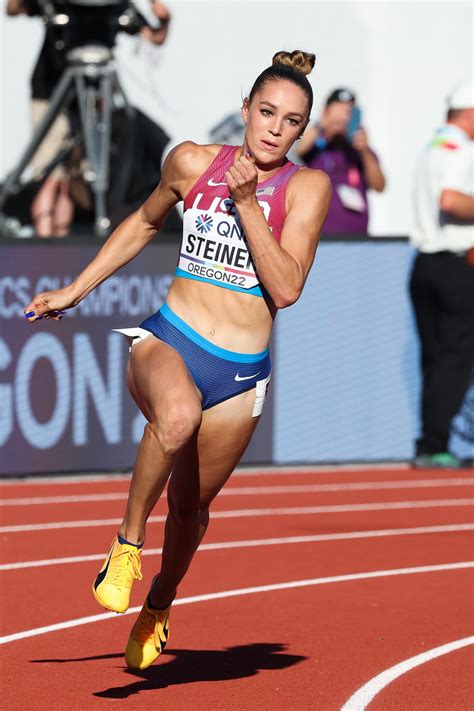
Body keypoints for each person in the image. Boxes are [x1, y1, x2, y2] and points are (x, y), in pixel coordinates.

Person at [24, 49, 331, 669]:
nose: (275, 128)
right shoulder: (192, 161)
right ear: (244, 111)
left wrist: (247, 203)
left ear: (302, 130)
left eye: (291, 121)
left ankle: (159, 604)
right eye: (266, 112)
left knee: (191, 513)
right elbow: (141, 222)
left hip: (240, 373)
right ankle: (126, 545)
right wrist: (74, 291)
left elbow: (288, 289)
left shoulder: (307, 188)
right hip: (172, 338)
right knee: (175, 416)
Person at [5, 0, 171, 237]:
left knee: (71, 185)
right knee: (50, 179)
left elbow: (154, 37)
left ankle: (60, 247)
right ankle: (43, 242)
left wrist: (164, 20)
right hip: (50, 95)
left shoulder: (116, 5)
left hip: (91, 103)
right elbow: (13, 10)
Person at [410, 80, 474, 469]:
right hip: (454, 266)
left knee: (434, 357)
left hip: (422, 264)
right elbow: (450, 200)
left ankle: (430, 441)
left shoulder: (429, 149)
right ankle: (435, 443)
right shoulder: (463, 150)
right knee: (455, 357)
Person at [295, 88, 385, 235]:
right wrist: (323, 126)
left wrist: (364, 150)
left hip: (358, 240)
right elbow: (297, 151)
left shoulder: (359, 150)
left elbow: (380, 185)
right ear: (326, 112)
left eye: (349, 112)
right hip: (319, 238)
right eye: (339, 110)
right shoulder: (317, 144)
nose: (344, 118)